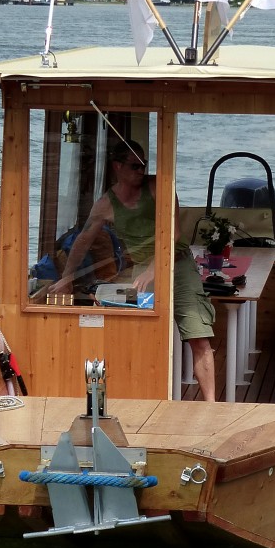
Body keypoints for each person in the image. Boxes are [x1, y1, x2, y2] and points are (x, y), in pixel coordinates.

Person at [50, 141, 217, 401]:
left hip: (178, 264)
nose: (142, 170)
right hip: (143, 270)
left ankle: (211, 406)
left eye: (144, 165)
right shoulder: (105, 204)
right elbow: (83, 240)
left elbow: (172, 233)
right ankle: (140, 399)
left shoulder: (159, 187)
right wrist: (67, 277)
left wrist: (154, 269)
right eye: (135, 166)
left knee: (199, 337)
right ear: (118, 166)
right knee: (136, 337)